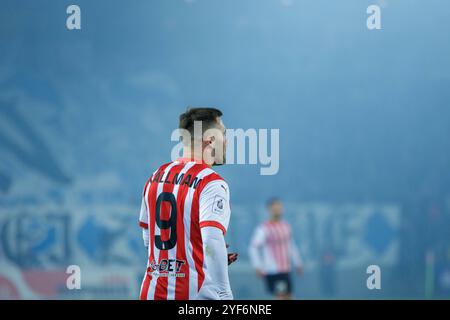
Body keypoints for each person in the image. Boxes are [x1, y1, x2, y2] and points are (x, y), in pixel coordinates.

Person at [138, 107, 238, 300]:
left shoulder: (156, 176)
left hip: (151, 291)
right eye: (224, 134)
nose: (227, 141)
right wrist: (225, 293)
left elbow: (147, 237)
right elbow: (212, 239)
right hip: (195, 295)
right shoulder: (211, 183)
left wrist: (198, 259)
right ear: (210, 140)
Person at [249, 198, 303, 299]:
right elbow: (254, 247)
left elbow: (291, 245)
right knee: (281, 296)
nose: (277, 210)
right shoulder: (264, 228)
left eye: (279, 207)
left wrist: (298, 263)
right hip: (273, 270)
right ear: (269, 209)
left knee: (289, 296)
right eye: (274, 208)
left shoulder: (286, 226)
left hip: (286, 269)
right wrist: (258, 266)